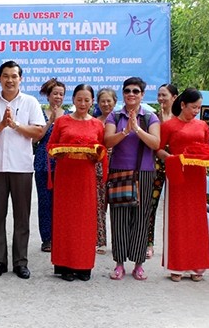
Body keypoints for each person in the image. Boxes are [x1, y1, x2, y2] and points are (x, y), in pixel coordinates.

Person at [0, 60, 45, 279]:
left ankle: (20, 262)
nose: (10, 80)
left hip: (22, 167)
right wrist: (2, 125)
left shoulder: (30, 102)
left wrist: (15, 124)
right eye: (5, 76)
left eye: (14, 76)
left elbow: (38, 133)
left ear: (20, 78)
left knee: (21, 217)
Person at [47, 84, 106, 281]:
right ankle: (64, 265)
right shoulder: (62, 121)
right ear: (73, 100)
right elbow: (50, 146)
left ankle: (83, 265)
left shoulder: (98, 124)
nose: (82, 103)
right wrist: (60, 151)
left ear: (92, 102)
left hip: (85, 177)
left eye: (87, 100)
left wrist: (95, 154)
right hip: (65, 175)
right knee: (65, 220)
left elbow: (101, 150)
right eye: (79, 99)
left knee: (84, 221)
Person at [103, 77, 160, 281]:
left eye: (136, 91)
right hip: (119, 171)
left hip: (144, 172)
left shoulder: (150, 117)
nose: (131, 94)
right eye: (127, 91)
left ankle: (138, 264)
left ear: (142, 95)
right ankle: (119, 263)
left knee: (141, 217)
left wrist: (136, 129)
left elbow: (155, 143)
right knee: (119, 217)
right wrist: (125, 131)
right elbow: (107, 140)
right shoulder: (115, 116)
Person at [158, 88, 209, 282]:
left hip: (197, 175)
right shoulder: (169, 125)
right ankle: (177, 265)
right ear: (182, 105)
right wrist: (171, 159)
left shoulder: (202, 126)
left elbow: (207, 149)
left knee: (197, 218)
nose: (196, 111)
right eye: (193, 107)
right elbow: (158, 149)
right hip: (177, 174)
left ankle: (197, 265)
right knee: (178, 217)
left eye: (198, 107)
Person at [33, 78, 68, 253]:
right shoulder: (39, 113)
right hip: (43, 163)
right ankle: (47, 238)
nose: (58, 97)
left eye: (61, 94)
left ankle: (61, 235)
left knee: (62, 202)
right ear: (48, 95)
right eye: (55, 93)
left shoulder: (69, 115)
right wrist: (50, 121)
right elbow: (35, 138)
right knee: (45, 202)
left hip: (64, 164)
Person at [146, 83, 178, 259]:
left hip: (175, 164)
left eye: (164, 95)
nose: (160, 99)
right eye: (159, 95)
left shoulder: (180, 118)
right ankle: (148, 242)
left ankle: (174, 244)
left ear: (174, 97)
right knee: (151, 204)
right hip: (155, 164)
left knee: (176, 205)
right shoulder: (153, 118)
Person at [94, 87, 117, 255]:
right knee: (99, 205)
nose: (106, 104)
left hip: (118, 165)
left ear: (115, 102)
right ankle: (99, 241)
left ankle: (120, 241)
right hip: (99, 167)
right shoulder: (94, 121)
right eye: (103, 101)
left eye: (109, 100)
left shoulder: (121, 120)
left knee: (118, 205)